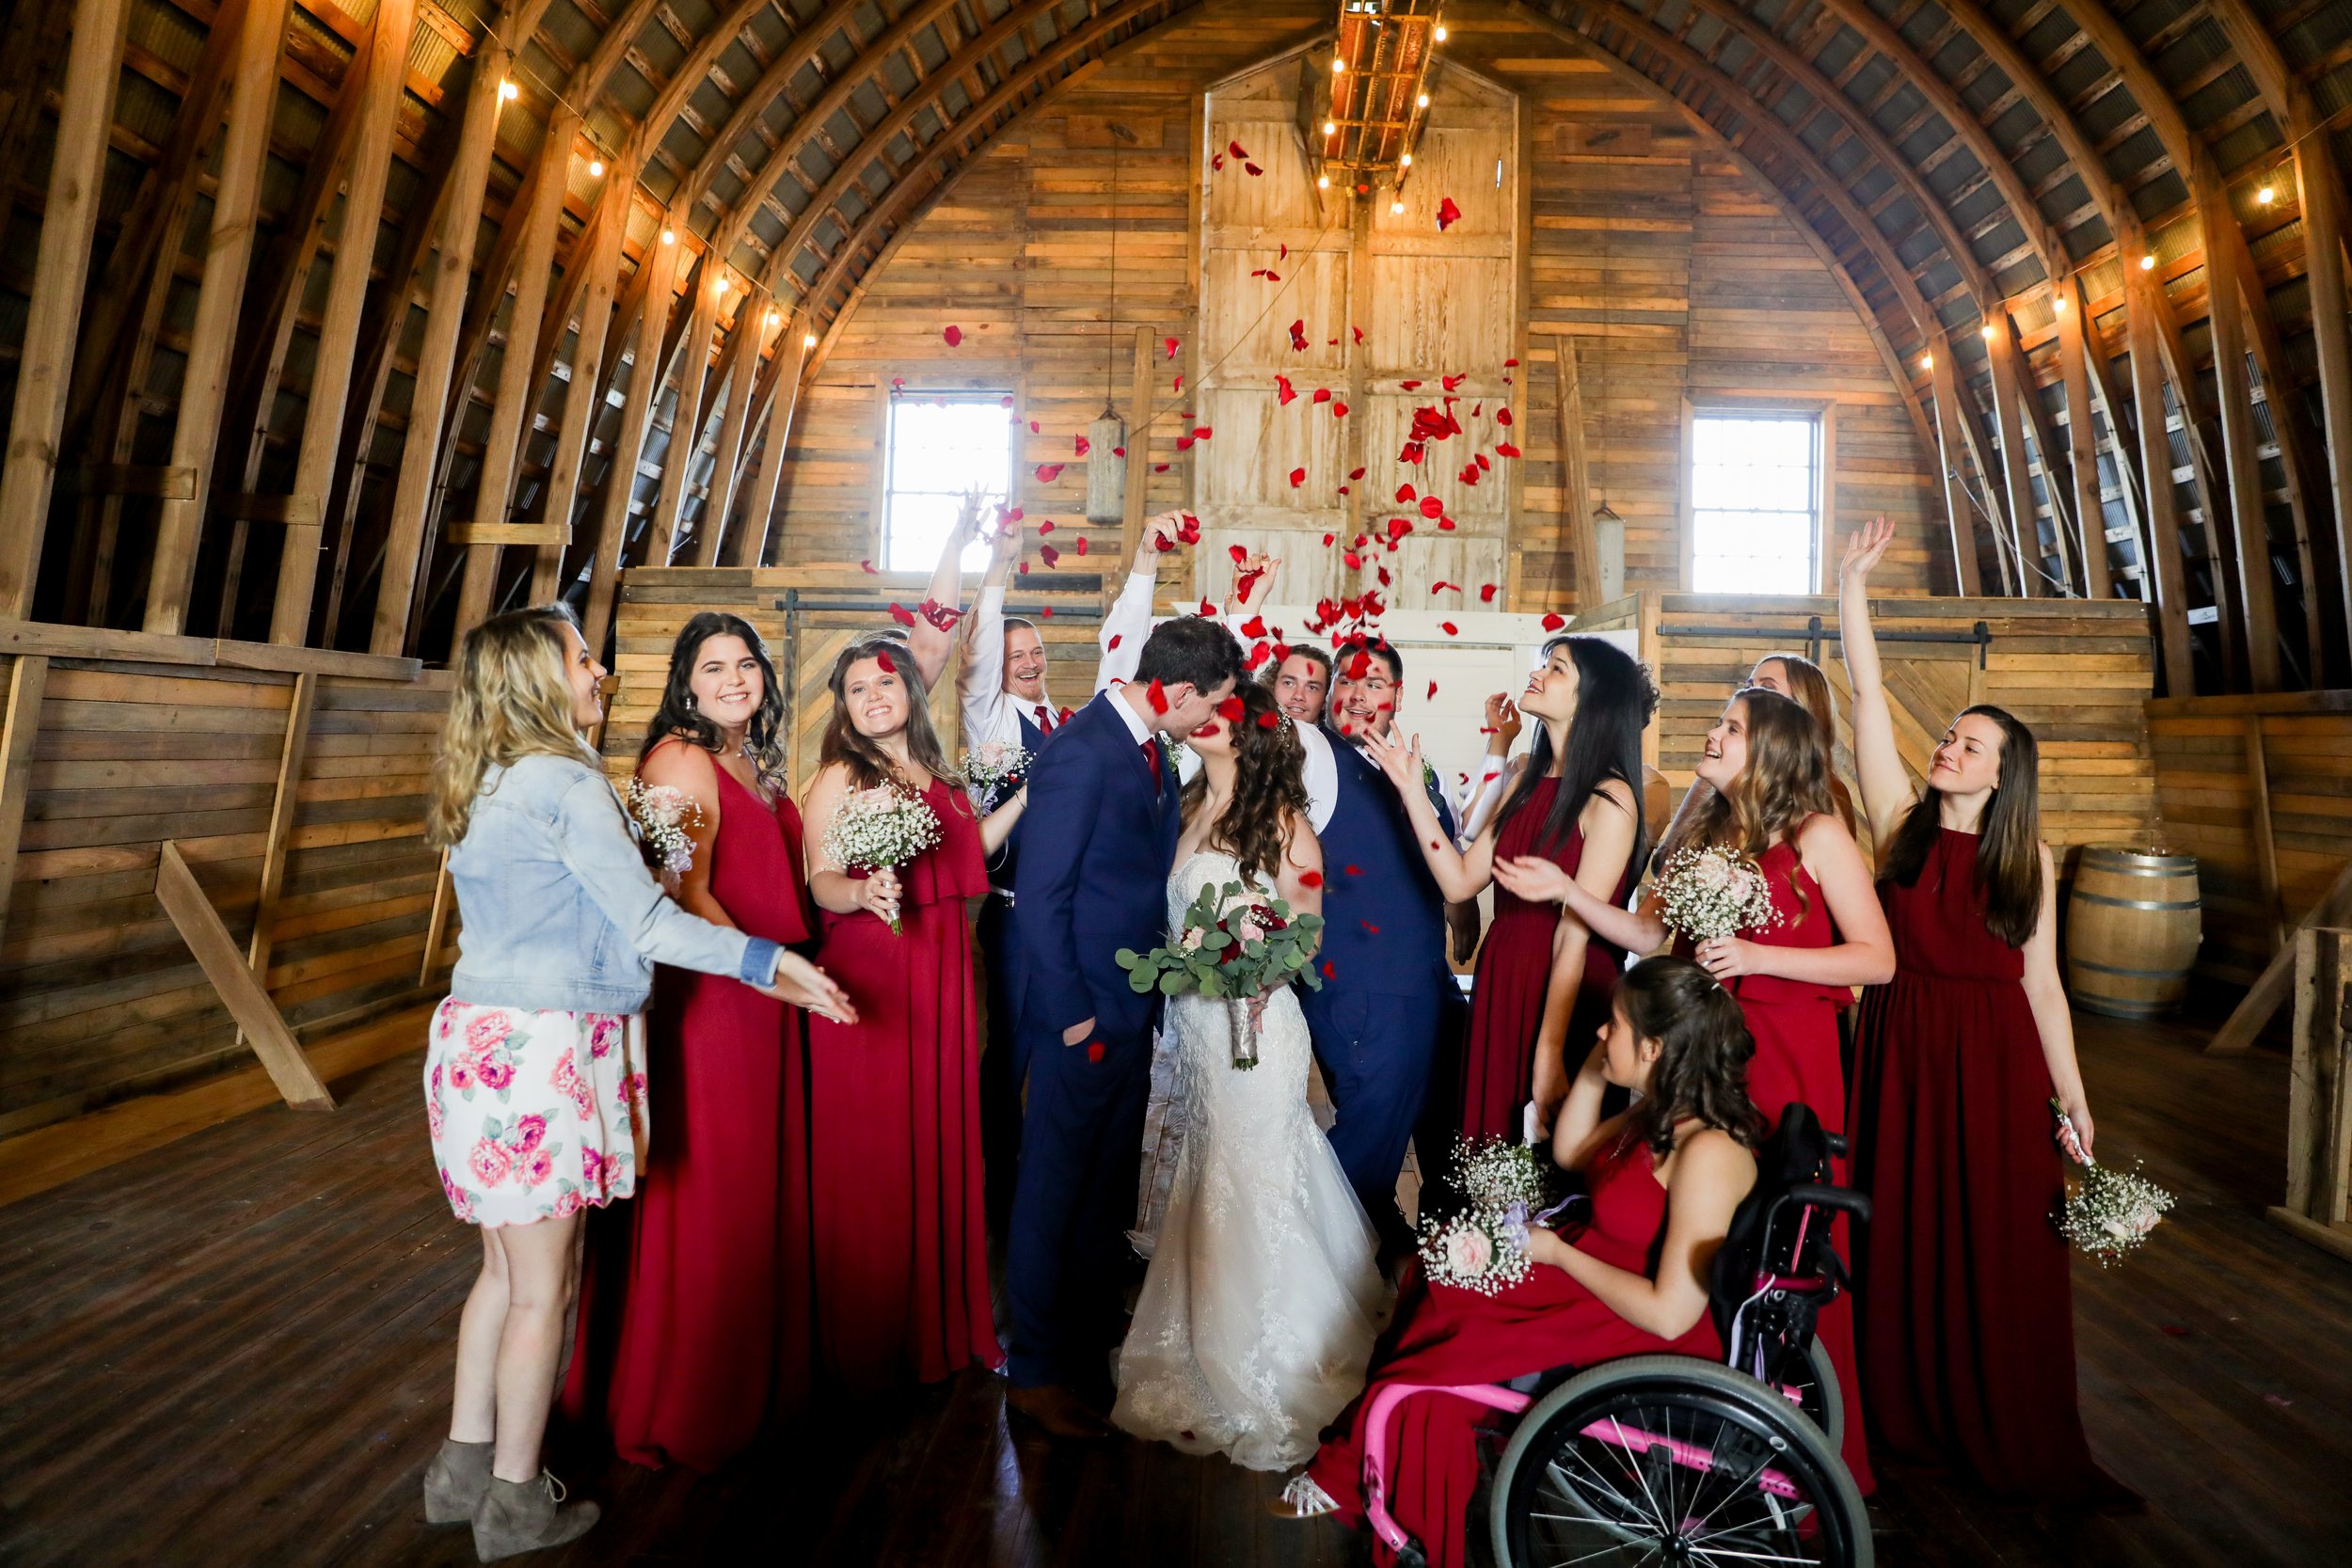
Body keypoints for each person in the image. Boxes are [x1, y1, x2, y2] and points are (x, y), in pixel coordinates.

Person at [419, 606, 852, 1560]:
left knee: (500, 1272)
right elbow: (652, 926)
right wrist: (769, 961)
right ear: (541, 677)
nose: (599, 667)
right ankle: (514, 1498)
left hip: (475, 1040)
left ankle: (459, 1469)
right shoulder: (566, 783)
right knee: (545, 1286)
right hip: (545, 1046)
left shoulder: (484, 776)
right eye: (582, 656)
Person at [1276, 958, 1765, 1568]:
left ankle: (1406, 1509)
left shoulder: (1708, 1150)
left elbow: (1670, 1314)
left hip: (1635, 1317)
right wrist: (1606, 1059)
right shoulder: (1665, 1107)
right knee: (1438, 1271)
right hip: (1597, 1276)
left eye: (1614, 1025)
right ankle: (1358, 1458)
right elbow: (1573, 1149)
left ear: (1657, 1047)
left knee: (1440, 1362)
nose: (1601, 1032)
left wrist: (1554, 1249)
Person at [1530, 685, 1894, 1492]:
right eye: (1721, 723)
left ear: (1771, 749)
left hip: (1786, 1057)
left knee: (1773, 1242)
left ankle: (1801, 1448)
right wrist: (1570, 898)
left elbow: (1877, 957)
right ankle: (1673, 1405)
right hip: (1700, 1055)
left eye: (1732, 727)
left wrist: (1765, 959)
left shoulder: (1818, 833)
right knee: (1680, 1225)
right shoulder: (1708, 833)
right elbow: (1655, 936)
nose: (1714, 734)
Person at [1836, 518, 2129, 1504]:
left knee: (1996, 1237)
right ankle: (1900, 1409)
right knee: (1901, 1228)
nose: (1948, 745)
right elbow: (1869, 700)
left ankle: (2000, 1411)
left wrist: (2074, 1098)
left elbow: (2041, 988)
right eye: (1950, 734)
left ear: (2003, 771)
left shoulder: (2027, 862)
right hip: (1902, 1046)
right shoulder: (1896, 826)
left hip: (1994, 1061)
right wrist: (1851, 590)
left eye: (1969, 742)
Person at [559, 613, 823, 1470]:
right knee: (713, 1187)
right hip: (718, 999)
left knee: (753, 1188)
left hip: (763, 995)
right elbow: (682, 895)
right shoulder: (679, 759)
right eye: (714, 667)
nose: (735, 678)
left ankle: (747, 1381)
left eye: (745, 663)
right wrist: (765, 970)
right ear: (686, 680)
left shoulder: (750, 758)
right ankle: (685, 1397)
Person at [1113, 681, 1385, 1470]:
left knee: (1254, 1166)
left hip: (1257, 1027)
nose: (1203, 717)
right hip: (1193, 1025)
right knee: (1205, 1169)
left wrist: (1259, 973)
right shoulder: (1185, 803)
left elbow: (1306, 930)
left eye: (1222, 711)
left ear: (1252, 732)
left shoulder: (1283, 821)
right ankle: (1196, 1335)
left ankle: (1274, 1348)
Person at [1004, 615, 1245, 1437]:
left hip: (1129, 1009)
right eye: (1207, 707)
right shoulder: (1080, 751)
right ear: (1176, 691)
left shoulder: (1146, 746)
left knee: (1102, 1189)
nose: (1208, 721)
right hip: (1084, 1017)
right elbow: (1042, 897)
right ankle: (1034, 1370)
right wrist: (1074, 1021)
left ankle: (1083, 1345)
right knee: (1052, 1189)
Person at [909, 503, 1158, 1228]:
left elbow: (1123, 663)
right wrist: (1001, 566)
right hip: (1015, 915)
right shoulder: (990, 719)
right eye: (1015, 651)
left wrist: (1143, 566)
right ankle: (999, 1190)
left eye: (1035, 649)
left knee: (1064, 1054)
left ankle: (1061, 1184)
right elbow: (978, 658)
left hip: (1073, 917)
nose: (1026, 659)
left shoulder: (1072, 723)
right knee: (1009, 1056)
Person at [799, 634, 1027, 1393]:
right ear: (846, 706)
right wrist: (862, 892)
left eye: (884, 682)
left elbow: (968, 857)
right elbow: (821, 876)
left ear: (910, 693)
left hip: (941, 965)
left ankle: (939, 1319)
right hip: (872, 964)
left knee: (937, 1135)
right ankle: (870, 1334)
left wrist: (1029, 795)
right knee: (876, 1144)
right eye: (857, 688)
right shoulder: (839, 774)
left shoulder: (940, 771)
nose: (873, 696)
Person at [1370, 635, 1655, 1141]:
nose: (1538, 674)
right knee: (1491, 1135)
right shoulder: (1527, 781)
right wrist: (1412, 793)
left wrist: (1549, 1053)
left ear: (1592, 699)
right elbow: (1458, 881)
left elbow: (1575, 934)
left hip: (1565, 982)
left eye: (1558, 669)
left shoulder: (1611, 797)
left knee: (1546, 1147)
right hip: (1504, 969)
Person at [1295, 638, 1466, 1254]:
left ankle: (1419, 1249)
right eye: (1348, 680)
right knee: (1368, 1131)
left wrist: (1461, 923)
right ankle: (1303, 1262)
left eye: (1376, 682)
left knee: (1437, 1126)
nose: (1361, 693)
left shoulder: (1417, 767)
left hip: (1425, 980)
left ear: (1398, 694)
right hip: (1362, 982)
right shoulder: (1315, 755)